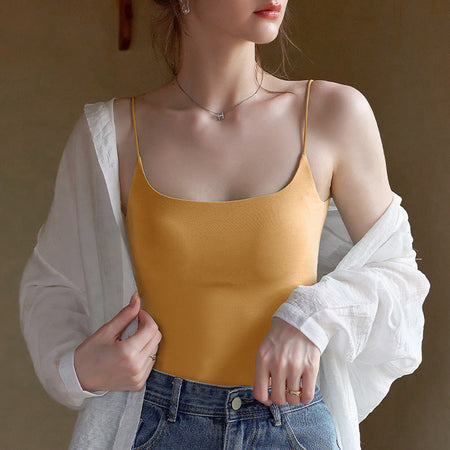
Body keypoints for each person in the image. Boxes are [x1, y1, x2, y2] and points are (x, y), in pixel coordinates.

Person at [19, 1, 431, 449]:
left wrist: (313, 315)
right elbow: (52, 285)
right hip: (157, 428)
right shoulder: (111, 134)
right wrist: (79, 369)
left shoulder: (333, 114)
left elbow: (400, 278)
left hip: (292, 427)